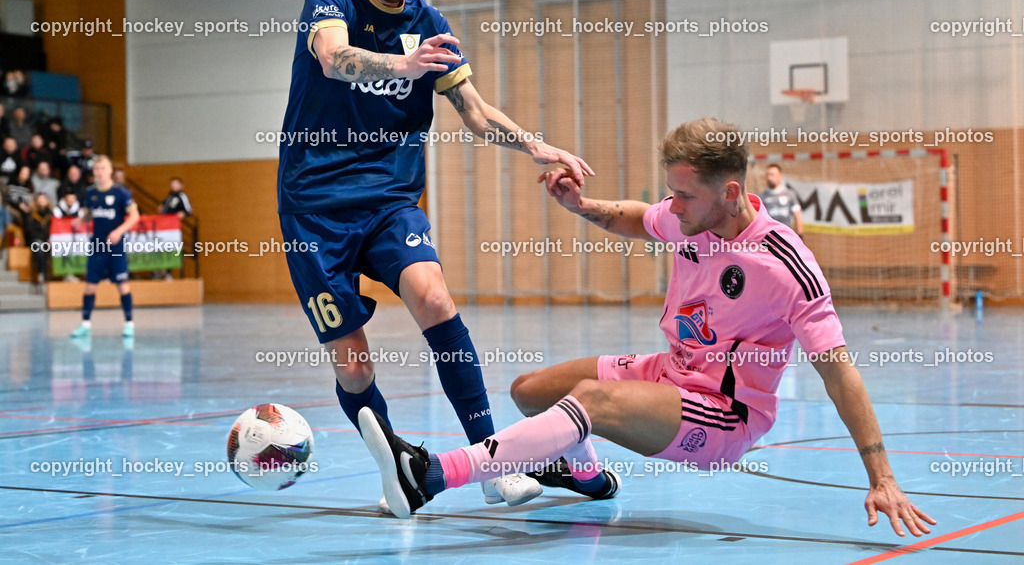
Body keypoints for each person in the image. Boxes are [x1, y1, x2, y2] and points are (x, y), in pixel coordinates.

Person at [359, 116, 937, 540]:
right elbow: (642, 218)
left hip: (724, 413)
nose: (673, 205)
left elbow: (841, 377)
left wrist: (882, 477)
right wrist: (581, 207)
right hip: (671, 373)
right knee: (530, 392)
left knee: (590, 401)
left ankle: (431, 476)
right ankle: (588, 477)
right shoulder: (689, 216)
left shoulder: (785, 266)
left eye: (685, 194)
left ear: (730, 193)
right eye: (673, 191)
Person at [278, 0, 593, 511]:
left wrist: (535, 144)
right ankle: (393, 467)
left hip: (390, 198)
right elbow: (333, 58)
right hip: (313, 204)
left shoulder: (429, 20)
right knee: (353, 369)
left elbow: (474, 111)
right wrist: (403, 61)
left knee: (434, 296)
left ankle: (493, 465)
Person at [69, 155, 139, 342]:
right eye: (96, 169)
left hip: (115, 247)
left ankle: (129, 324)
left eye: (103, 168)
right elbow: (91, 214)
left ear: (110, 171)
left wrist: (119, 231)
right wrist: (80, 220)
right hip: (97, 246)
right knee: (90, 285)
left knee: (122, 285)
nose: (99, 172)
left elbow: (134, 217)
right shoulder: (90, 192)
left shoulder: (121, 192)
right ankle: (85, 324)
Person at [760, 163, 804, 237]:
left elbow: (798, 215)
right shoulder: (762, 197)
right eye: (768, 175)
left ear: (780, 176)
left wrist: (800, 234)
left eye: (772, 175)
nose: (769, 178)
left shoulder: (790, 194)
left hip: (786, 236)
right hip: (769, 237)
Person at [25, 193, 53, 284]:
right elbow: (31, 231)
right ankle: (42, 273)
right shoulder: (32, 215)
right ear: (36, 202)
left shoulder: (52, 214)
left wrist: (49, 239)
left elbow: (54, 228)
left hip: (50, 239)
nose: (41, 201)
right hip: (37, 239)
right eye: (39, 200)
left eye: (43, 199)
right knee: (38, 247)